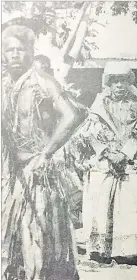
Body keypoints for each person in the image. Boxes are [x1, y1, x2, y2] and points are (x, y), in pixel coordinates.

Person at [1, 24, 86, 280]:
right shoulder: (4, 86)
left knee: (35, 238)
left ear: (31, 51)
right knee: (8, 236)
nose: (15, 55)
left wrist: (47, 153)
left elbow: (73, 115)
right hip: (9, 173)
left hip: (38, 174)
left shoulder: (42, 81)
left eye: (21, 49)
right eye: (9, 50)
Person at [65, 62, 137, 266]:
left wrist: (126, 153)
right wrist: (107, 152)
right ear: (109, 84)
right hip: (107, 156)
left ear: (129, 82)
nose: (119, 86)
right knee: (99, 182)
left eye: (123, 81)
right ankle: (102, 248)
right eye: (115, 82)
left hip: (132, 155)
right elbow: (90, 133)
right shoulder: (99, 105)